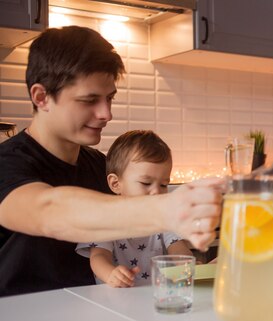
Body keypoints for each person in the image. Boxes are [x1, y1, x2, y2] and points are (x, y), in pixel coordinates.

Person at [0, 26, 223, 297]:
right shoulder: (7, 163)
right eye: (90, 100)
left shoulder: (101, 166)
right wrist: (165, 209)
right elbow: (49, 211)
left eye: (109, 98)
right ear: (41, 97)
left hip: (94, 316)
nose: (106, 113)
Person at [76, 130, 196, 287]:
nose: (156, 192)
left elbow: (178, 248)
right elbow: (98, 256)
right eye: (146, 183)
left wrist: (187, 265)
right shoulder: (106, 218)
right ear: (115, 184)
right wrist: (110, 273)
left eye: (163, 184)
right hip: (116, 297)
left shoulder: (163, 217)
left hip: (154, 297)